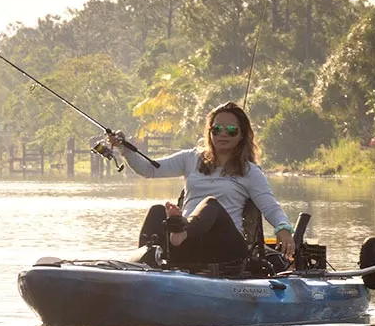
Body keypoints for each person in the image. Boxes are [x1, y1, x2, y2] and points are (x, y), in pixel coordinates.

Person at [106, 101, 295, 265]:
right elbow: (149, 169)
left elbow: (271, 207)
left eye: (231, 130)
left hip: (225, 246)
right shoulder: (191, 158)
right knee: (157, 211)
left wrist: (283, 229)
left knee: (210, 204)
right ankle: (143, 266)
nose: (223, 135)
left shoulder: (250, 172)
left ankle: (181, 233)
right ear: (210, 132)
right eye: (217, 129)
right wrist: (124, 148)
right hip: (187, 243)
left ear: (242, 135)